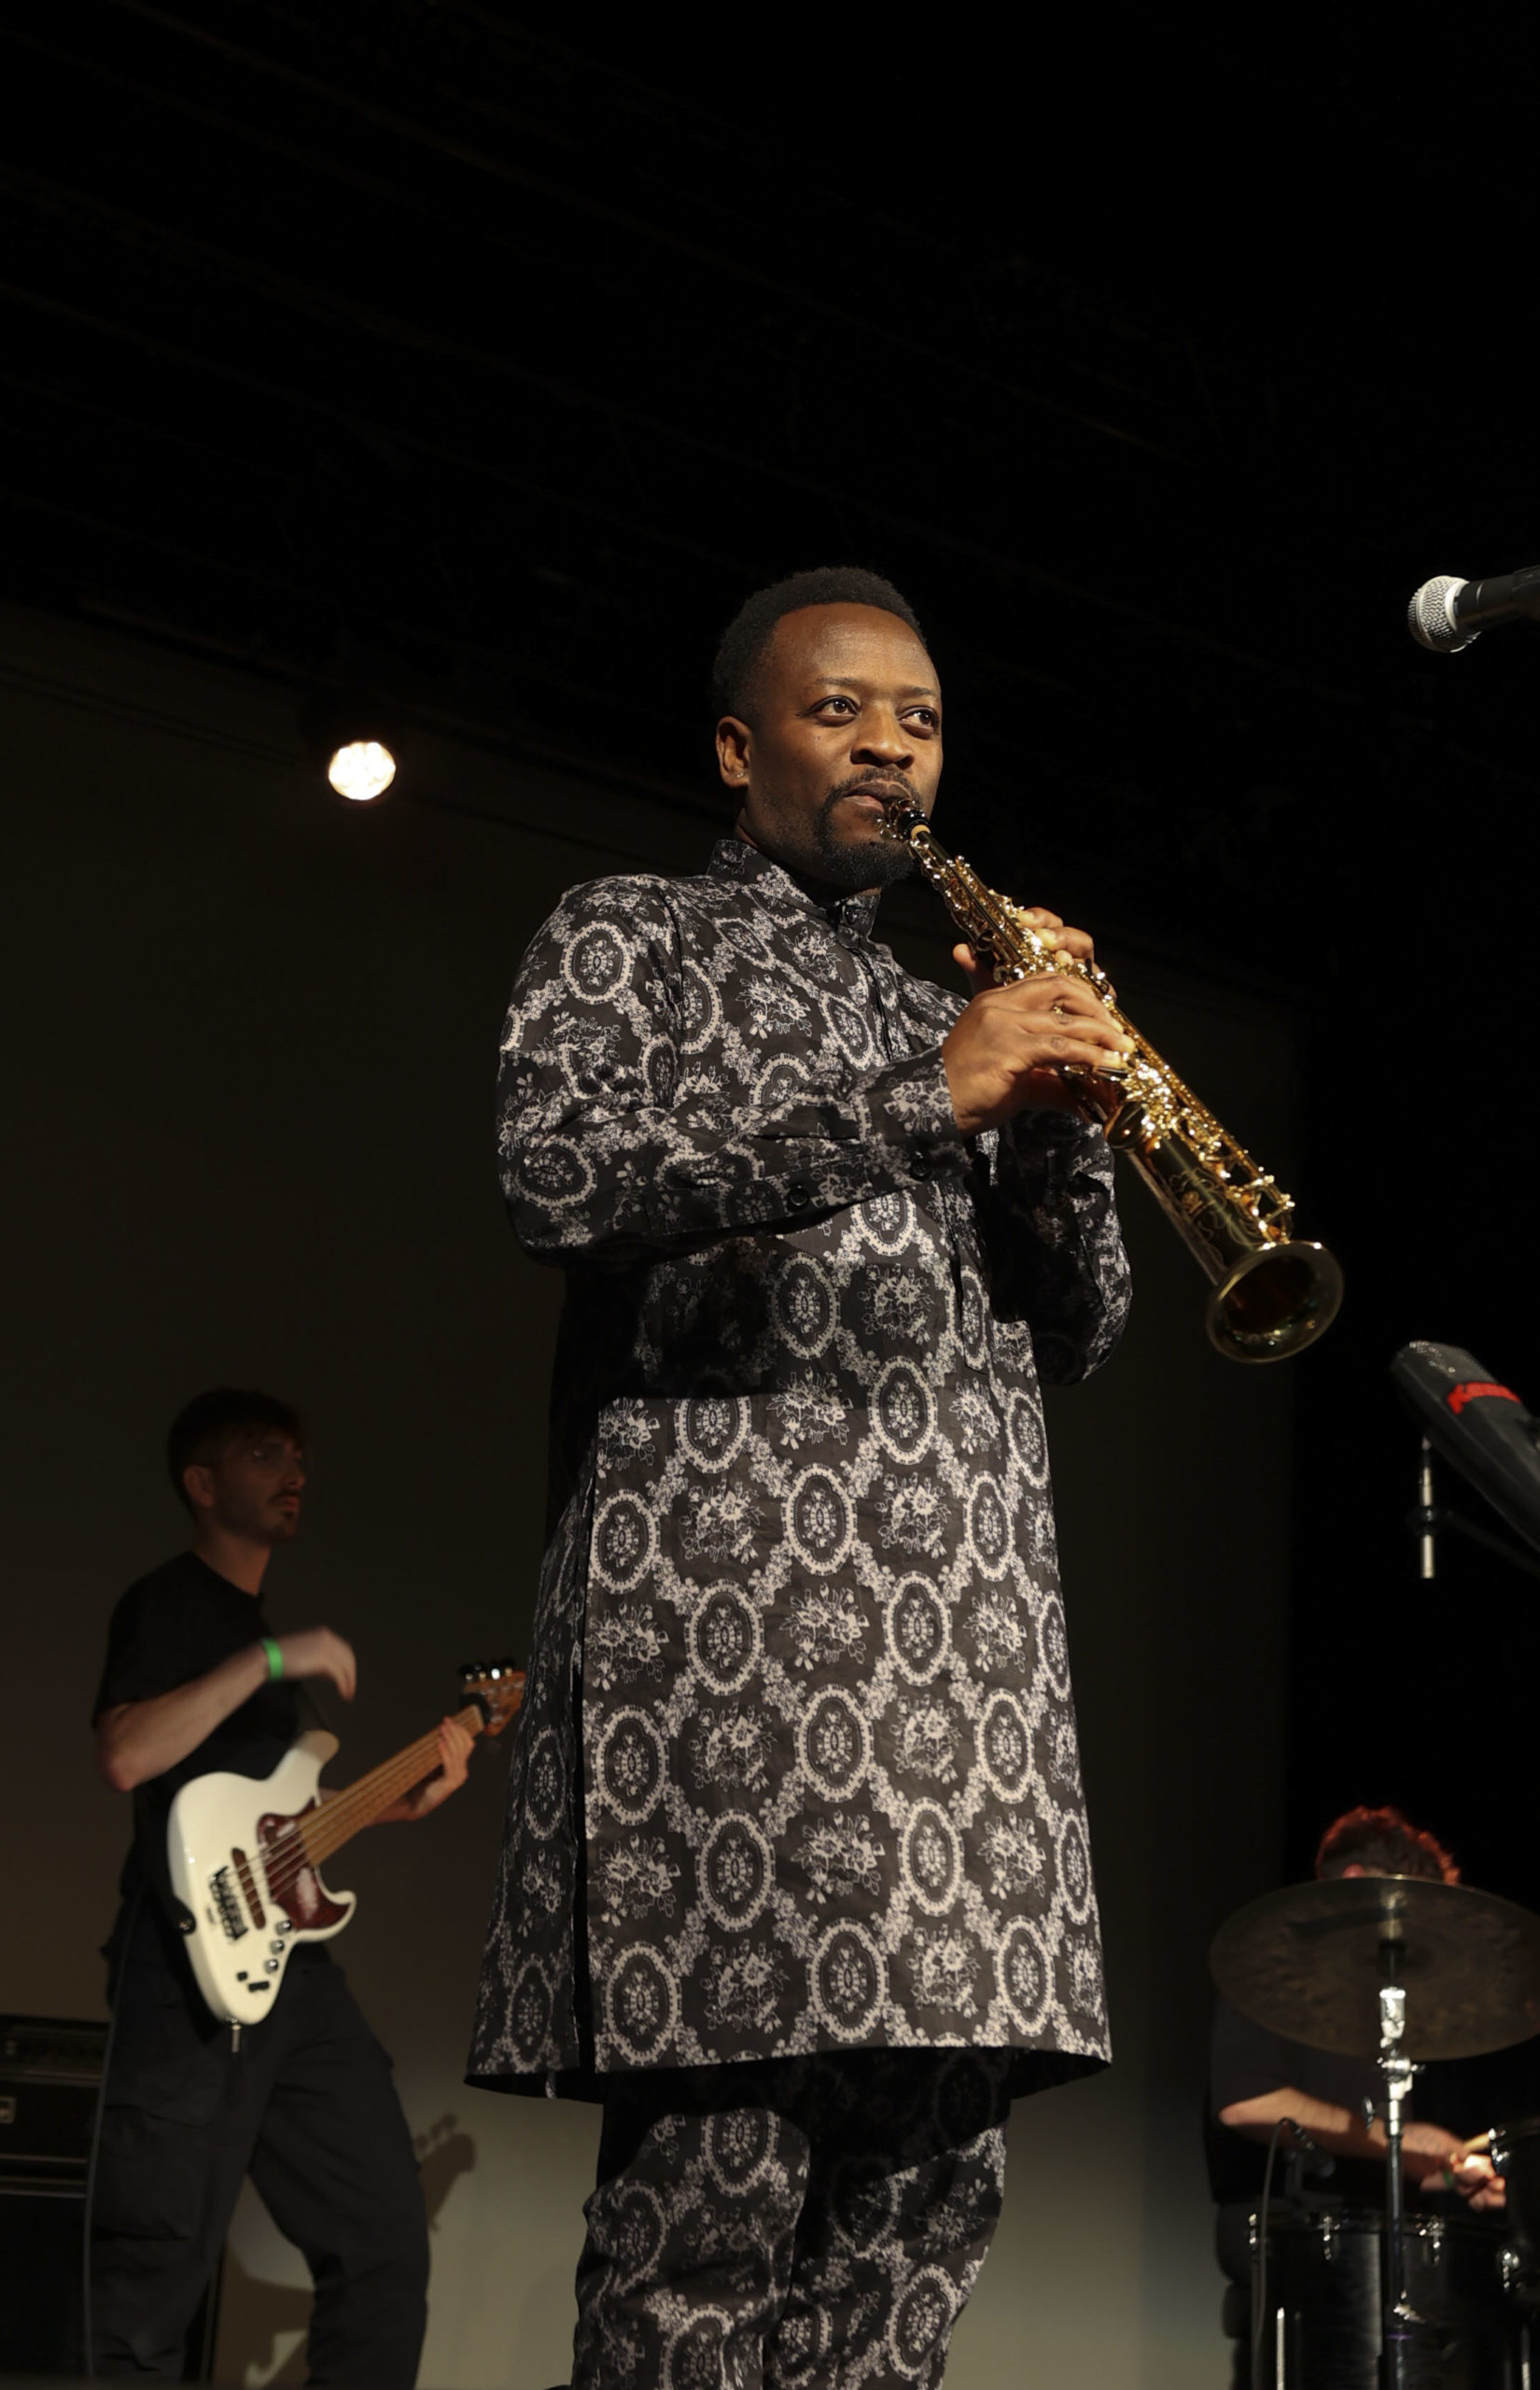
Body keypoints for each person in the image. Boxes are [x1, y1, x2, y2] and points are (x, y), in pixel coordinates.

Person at [467, 567, 1133, 2387]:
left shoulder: (947, 1003)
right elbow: (556, 1177)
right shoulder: (634, 934)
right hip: (735, 1661)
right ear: (736, 745)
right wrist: (928, 1094)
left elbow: (1075, 1330)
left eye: (918, 721)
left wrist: (1064, 1125)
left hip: (965, 1691)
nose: (887, 749)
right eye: (840, 712)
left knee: (926, 2205)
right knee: (716, 2196)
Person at [90, 1386, 471, 2383]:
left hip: (290, 1975)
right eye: (266, 1454)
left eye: (299, 1458)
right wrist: (268, 1656)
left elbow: (277, 1826)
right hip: (182, 1975)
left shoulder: (268, 1656)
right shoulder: (170, 1604)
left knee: (385, 2247)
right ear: (202, 1483)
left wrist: (401, 1800)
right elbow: (127, 1754)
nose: (294, 1473)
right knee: (151, 2285)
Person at [1208, 1806, 1509, 2388]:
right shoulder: (1270, 1973)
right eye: (1410, 1911)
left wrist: (1452, 2173)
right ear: (1356, 1883)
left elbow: (1387, 2159)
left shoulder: (1379, 2006)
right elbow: (1244, 2102)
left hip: (1385, 2240)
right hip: (1299, 2235)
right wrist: (1394, 2139)